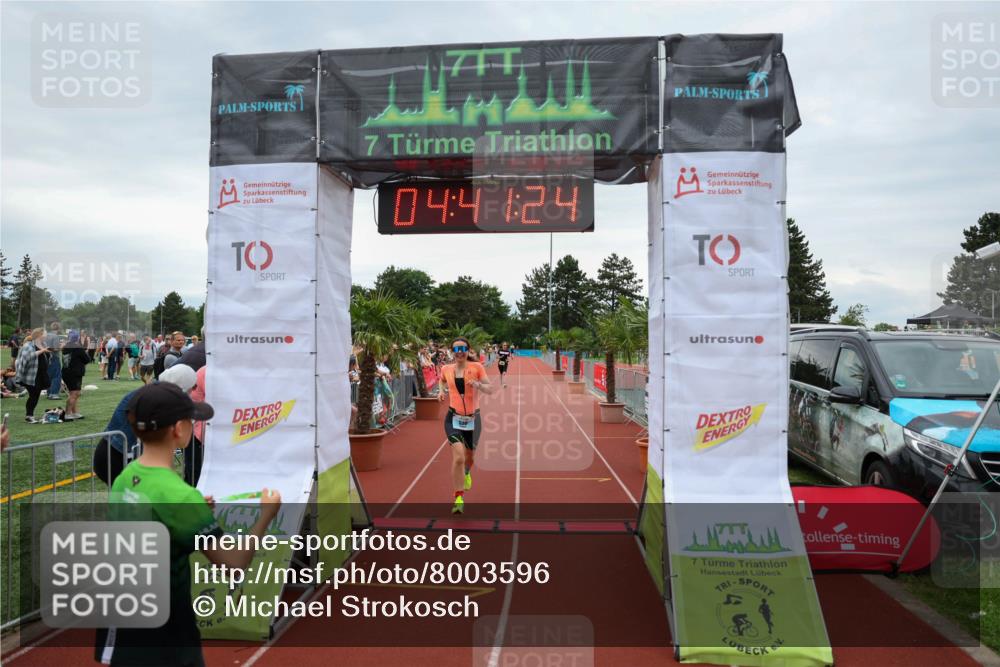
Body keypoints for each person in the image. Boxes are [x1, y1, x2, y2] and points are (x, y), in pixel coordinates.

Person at [95, 381, 282, 667]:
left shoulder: (127, 475)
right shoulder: (181, 496)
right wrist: (266, 516)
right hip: (167, 634)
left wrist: (193, 514)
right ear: (178, 429)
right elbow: (233, 564)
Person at [93, 364, 199, 487]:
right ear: (183, 386)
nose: (193, 390)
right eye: (193, 386)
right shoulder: (155, 398)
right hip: (117, 458)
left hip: (117, 454)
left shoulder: (153, 393)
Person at [438, 336, 494, 514]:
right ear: (452, 352)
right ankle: (458, 497)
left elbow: (490, 389)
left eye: (463, 348)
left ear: (468, 350)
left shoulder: (476, 367)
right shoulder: (446, 368)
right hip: (453, 418)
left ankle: (467, 472)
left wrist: (477, 384)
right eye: (456, 349)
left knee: (469, 458)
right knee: (459, 457)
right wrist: (440, 391)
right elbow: (442, 380)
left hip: (473, 419)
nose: (459, 352)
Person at [14, 328, 51, 423]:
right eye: (45, 334)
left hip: (40, 374)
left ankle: (30, 415)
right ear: (39, 335)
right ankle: (29, 416)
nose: (46, 336)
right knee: (33, 395)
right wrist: (42, 351)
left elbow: (45, 357)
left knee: (36, 395)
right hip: (31, 376)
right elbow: (27, 357)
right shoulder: (28, 345)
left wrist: (48, 353)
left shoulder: (43, 344)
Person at [61, 330, 92, 420]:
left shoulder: (66, 346)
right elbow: (87, 359)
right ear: (77, 338)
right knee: (74, 393)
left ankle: (74, 412)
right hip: (74, 373)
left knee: (74, 393)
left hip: (66, 372)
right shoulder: (78, 347)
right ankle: (67, 414)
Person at [44, 321, 63, 400]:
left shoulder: (46, 335)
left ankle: (49, 393)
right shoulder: (55, 336)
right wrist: (61, 346)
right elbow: (55, 349)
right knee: (56, 376)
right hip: (54, 357)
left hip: (46, 357)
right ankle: (54, 393)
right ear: (58, 328)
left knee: (49, 375)